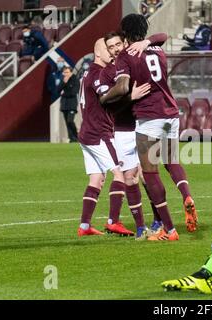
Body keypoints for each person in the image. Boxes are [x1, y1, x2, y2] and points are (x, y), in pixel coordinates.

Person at [100, 14, 199, 240]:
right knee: (171, 160)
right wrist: (148, 41)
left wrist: (105, 97)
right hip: (171, 114)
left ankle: (170, 230)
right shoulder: (157, 50)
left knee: (150, 172)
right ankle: (186, 195)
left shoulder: (127, 56)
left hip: (149, 116)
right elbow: (163, 36)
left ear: (124, 32)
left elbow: (123, 86)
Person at [77, 38, 150, 236]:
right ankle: (114, 221)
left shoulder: (86, 73)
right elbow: (108, 98)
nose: (111, 53)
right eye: (106, 50)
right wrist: (130, 97)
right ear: (97, 53)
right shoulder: (97, 74)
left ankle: (84, 226)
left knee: (97, 178)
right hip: (100, 133)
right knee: (119, 173)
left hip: (86, 132)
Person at [102, 31, 168, 240]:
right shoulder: (106, 74)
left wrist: (146, 41)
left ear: (124, 42)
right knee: (130, 178)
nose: (115, 49)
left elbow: (162, 36)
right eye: (110, 46)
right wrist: (131, 97)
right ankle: (140, 227)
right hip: (122, 130)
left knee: (149, 176)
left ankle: (159, 220)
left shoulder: (136, 61)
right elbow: (108, 107)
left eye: (117, 44)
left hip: (144, 125)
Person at [58, 66, 79, 142]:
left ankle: (76, 135)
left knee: (70, 120)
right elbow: (58, 89)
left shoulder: (75, 79)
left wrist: (64, 93)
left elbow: (74, 92)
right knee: (67, 122)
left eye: (67, 72)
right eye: (64, 72)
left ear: (71, 72)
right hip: (64, 104)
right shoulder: (63, 80)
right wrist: (64, 83)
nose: (65, 74)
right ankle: (71, 138)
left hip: (72, 104)